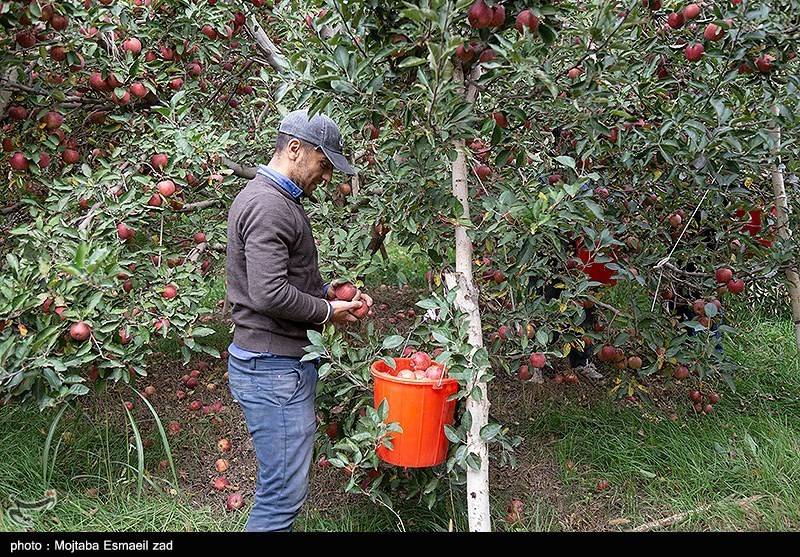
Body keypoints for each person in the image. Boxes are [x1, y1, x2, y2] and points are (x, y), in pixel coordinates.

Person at [225, 108, 372, 532]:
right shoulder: (270, 206)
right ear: (294, 149)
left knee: (280, 490)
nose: (326, 177)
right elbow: (269, 293)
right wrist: (328, 311)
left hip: (276, 365)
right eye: (323, 165)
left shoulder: (277, 200)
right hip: (272, 369)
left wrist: (327, 293)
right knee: (280, 499)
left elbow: (284, 278)